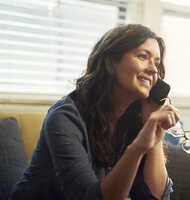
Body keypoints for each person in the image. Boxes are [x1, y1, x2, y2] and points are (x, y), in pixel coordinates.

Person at [10, 24, 179, 200]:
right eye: (143, 57)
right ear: (111, 63)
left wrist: (154, 136)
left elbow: (158, 196)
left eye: (157, 63)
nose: (153, 69)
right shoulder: (64, 117)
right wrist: (138, 147)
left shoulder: (134, 118)